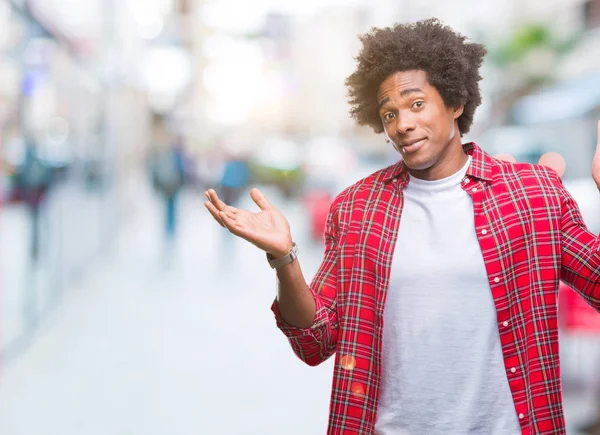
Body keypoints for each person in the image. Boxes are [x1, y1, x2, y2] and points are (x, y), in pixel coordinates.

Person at [204, 19, 600, 435]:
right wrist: (283, 257)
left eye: (416, 104)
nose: (402, 124)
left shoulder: (533, 194)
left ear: (455, 103)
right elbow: (315, 341)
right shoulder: (359, 208)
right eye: (388, 113)